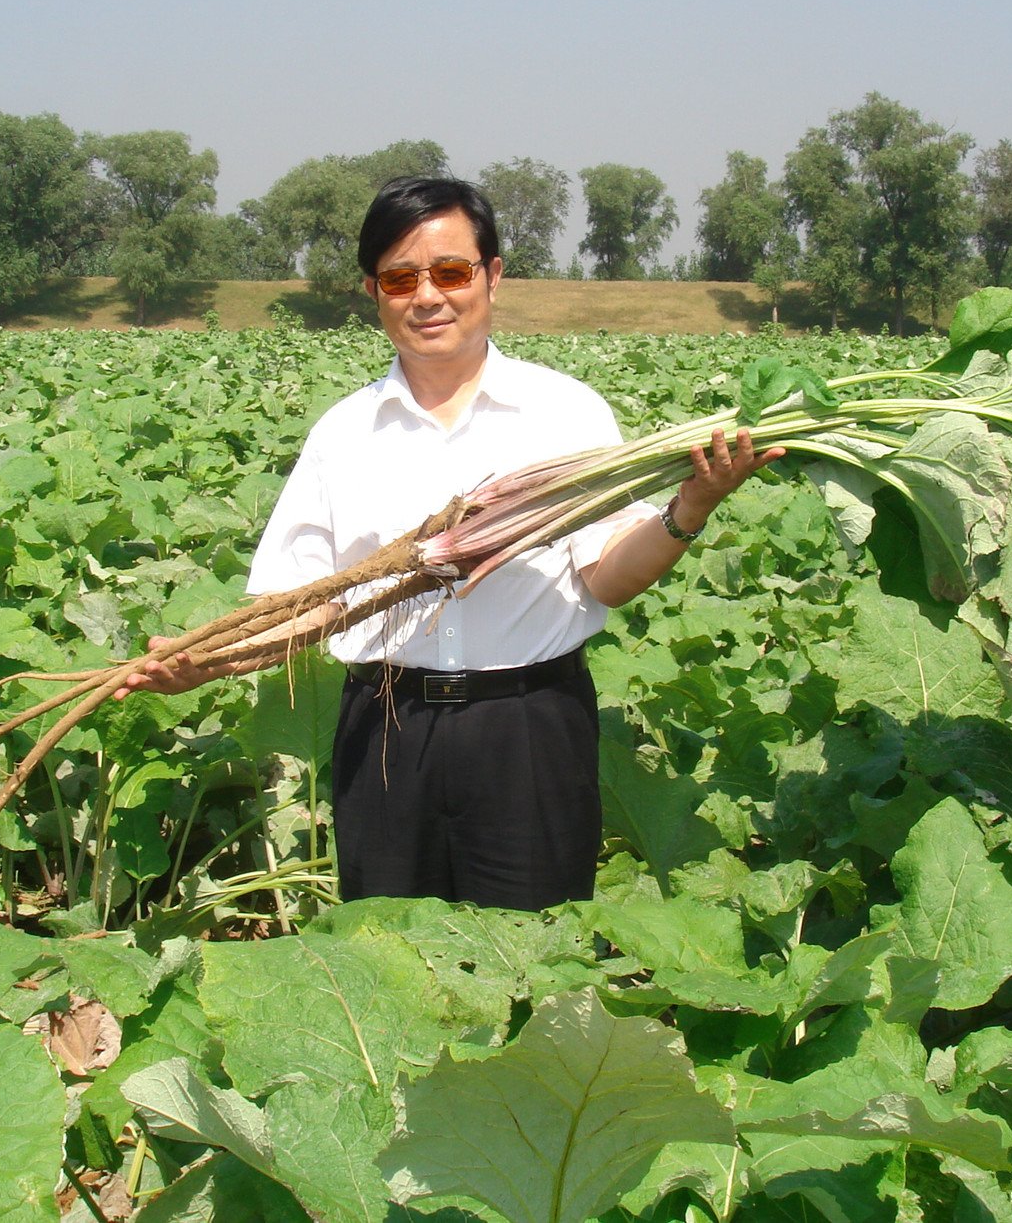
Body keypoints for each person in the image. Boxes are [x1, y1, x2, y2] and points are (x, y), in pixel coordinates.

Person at [122, 176, 779, 910]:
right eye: (400, 278)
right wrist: (208, 660)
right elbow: (303, 601)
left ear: (492, 276)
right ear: (373, 291)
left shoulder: (564, 412)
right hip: (383, 729)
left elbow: (606, 578)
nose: (426, 296)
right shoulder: (343, 432)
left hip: (527, 726)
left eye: (450, 272)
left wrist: (691, 505)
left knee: (535, 955)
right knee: (391, 957)